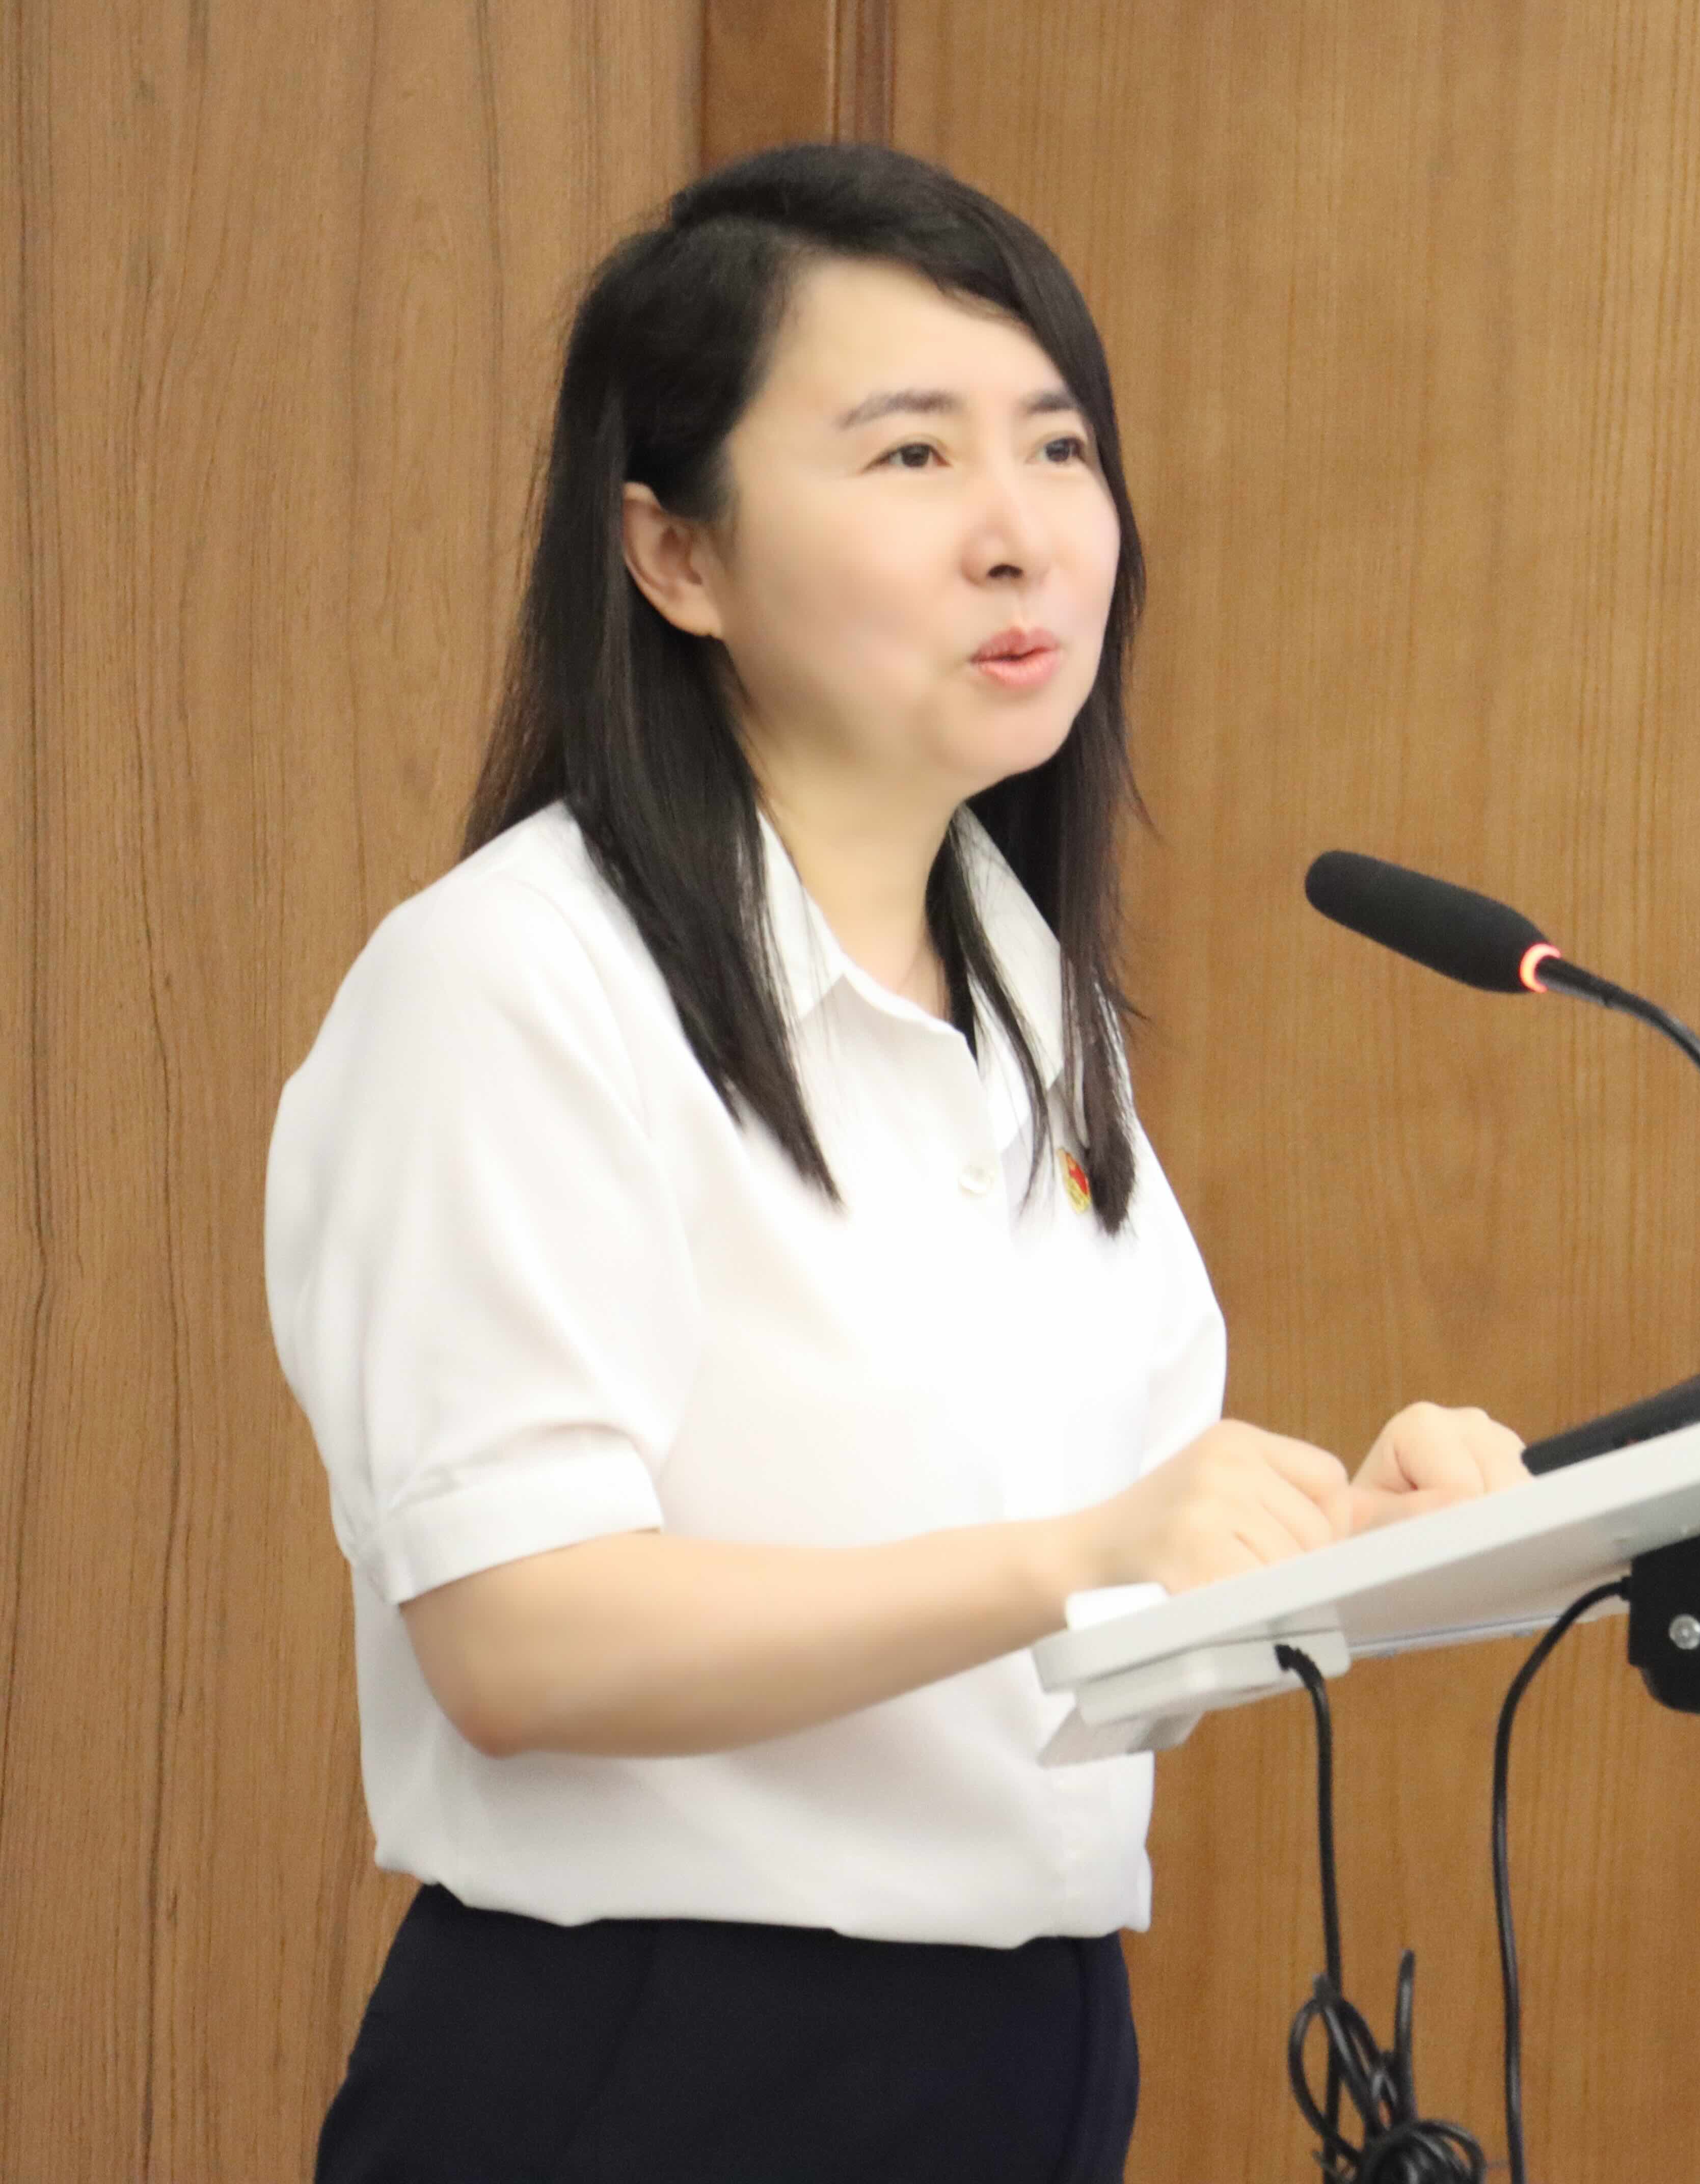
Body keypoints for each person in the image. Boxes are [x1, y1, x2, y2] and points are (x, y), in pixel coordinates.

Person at [265, 142, 1525, 2182]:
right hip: (660, 2062)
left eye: (1058, 446)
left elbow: (1074, 1622)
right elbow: (516, 1637)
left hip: (1025, 2046)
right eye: (915, 456)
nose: (1021, 536)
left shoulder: (1026, 1003)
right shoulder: (514, 979)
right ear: (676, 555)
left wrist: (1353, 1549)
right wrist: (1084, 1552)